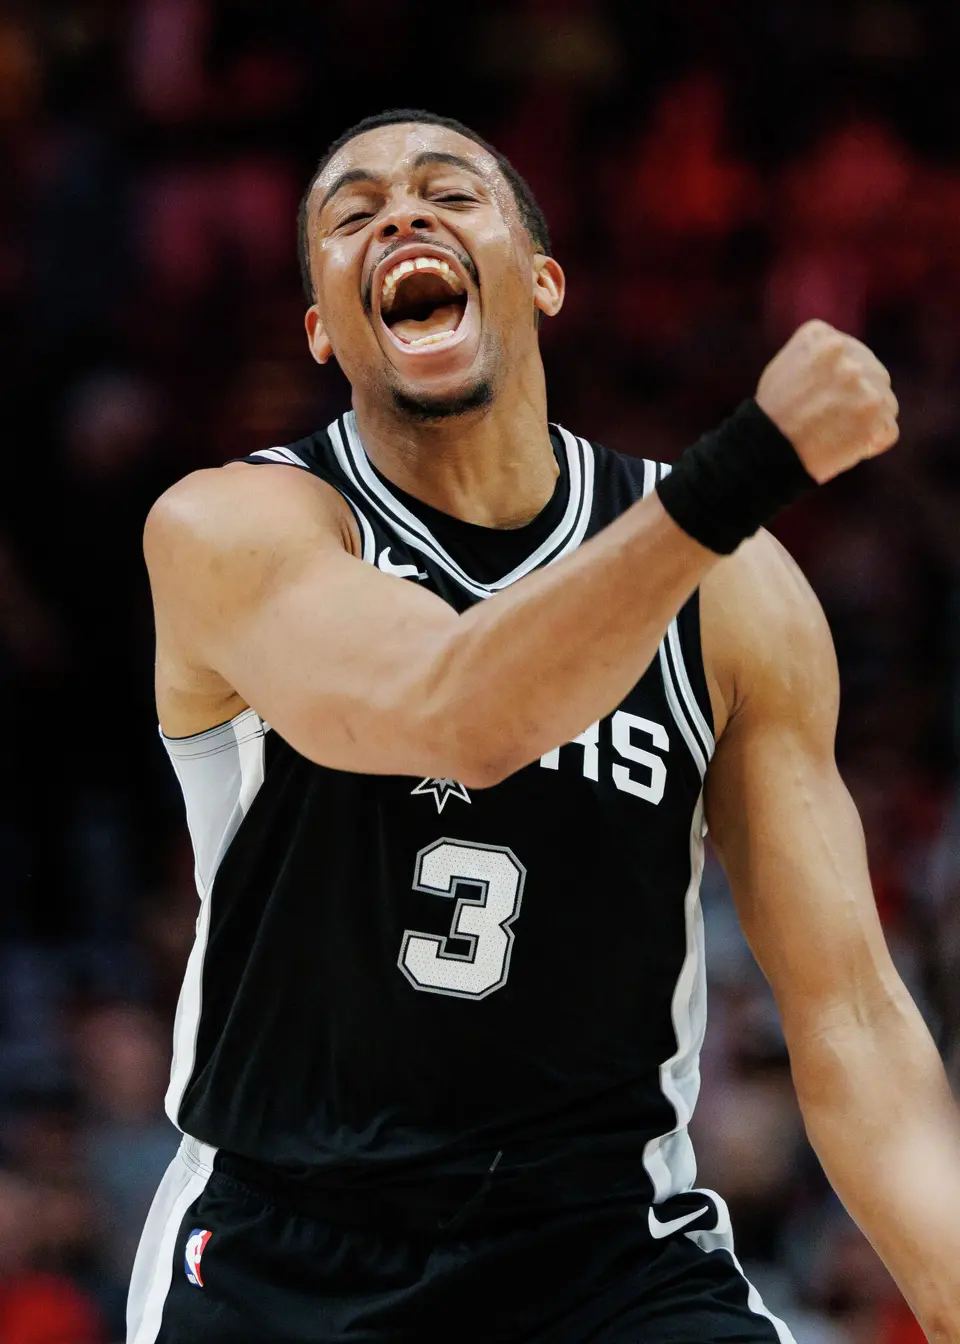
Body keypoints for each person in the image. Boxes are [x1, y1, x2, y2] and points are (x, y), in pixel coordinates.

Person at [129, 108, 958, 1344]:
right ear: (321, 330)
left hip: (609, 1257)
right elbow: (460, 712)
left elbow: (850, 1019)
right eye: (352, 214)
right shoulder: (234, 529)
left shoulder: (734, 594)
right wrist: (745, 468)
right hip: (282, 1256)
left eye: (450, 193)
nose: (401, 213)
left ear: (543, 279)